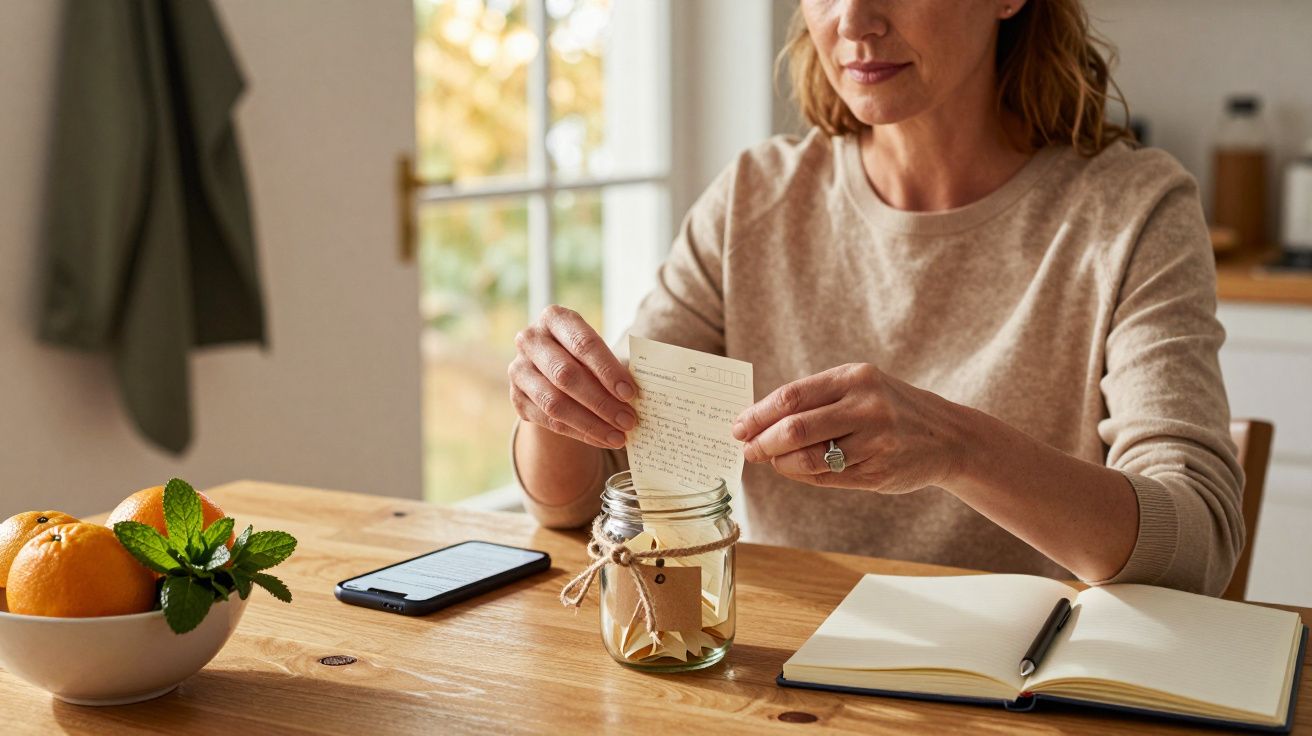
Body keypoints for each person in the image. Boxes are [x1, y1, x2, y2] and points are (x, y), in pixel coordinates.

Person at [506, 0, 1244, 595]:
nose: (854, 20)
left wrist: (958, 447)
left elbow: (1197, 546)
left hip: (1021, 693)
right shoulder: (753, 198)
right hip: (775, 676)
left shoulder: (1135, 210)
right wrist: (558, 411)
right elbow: (581, 502)